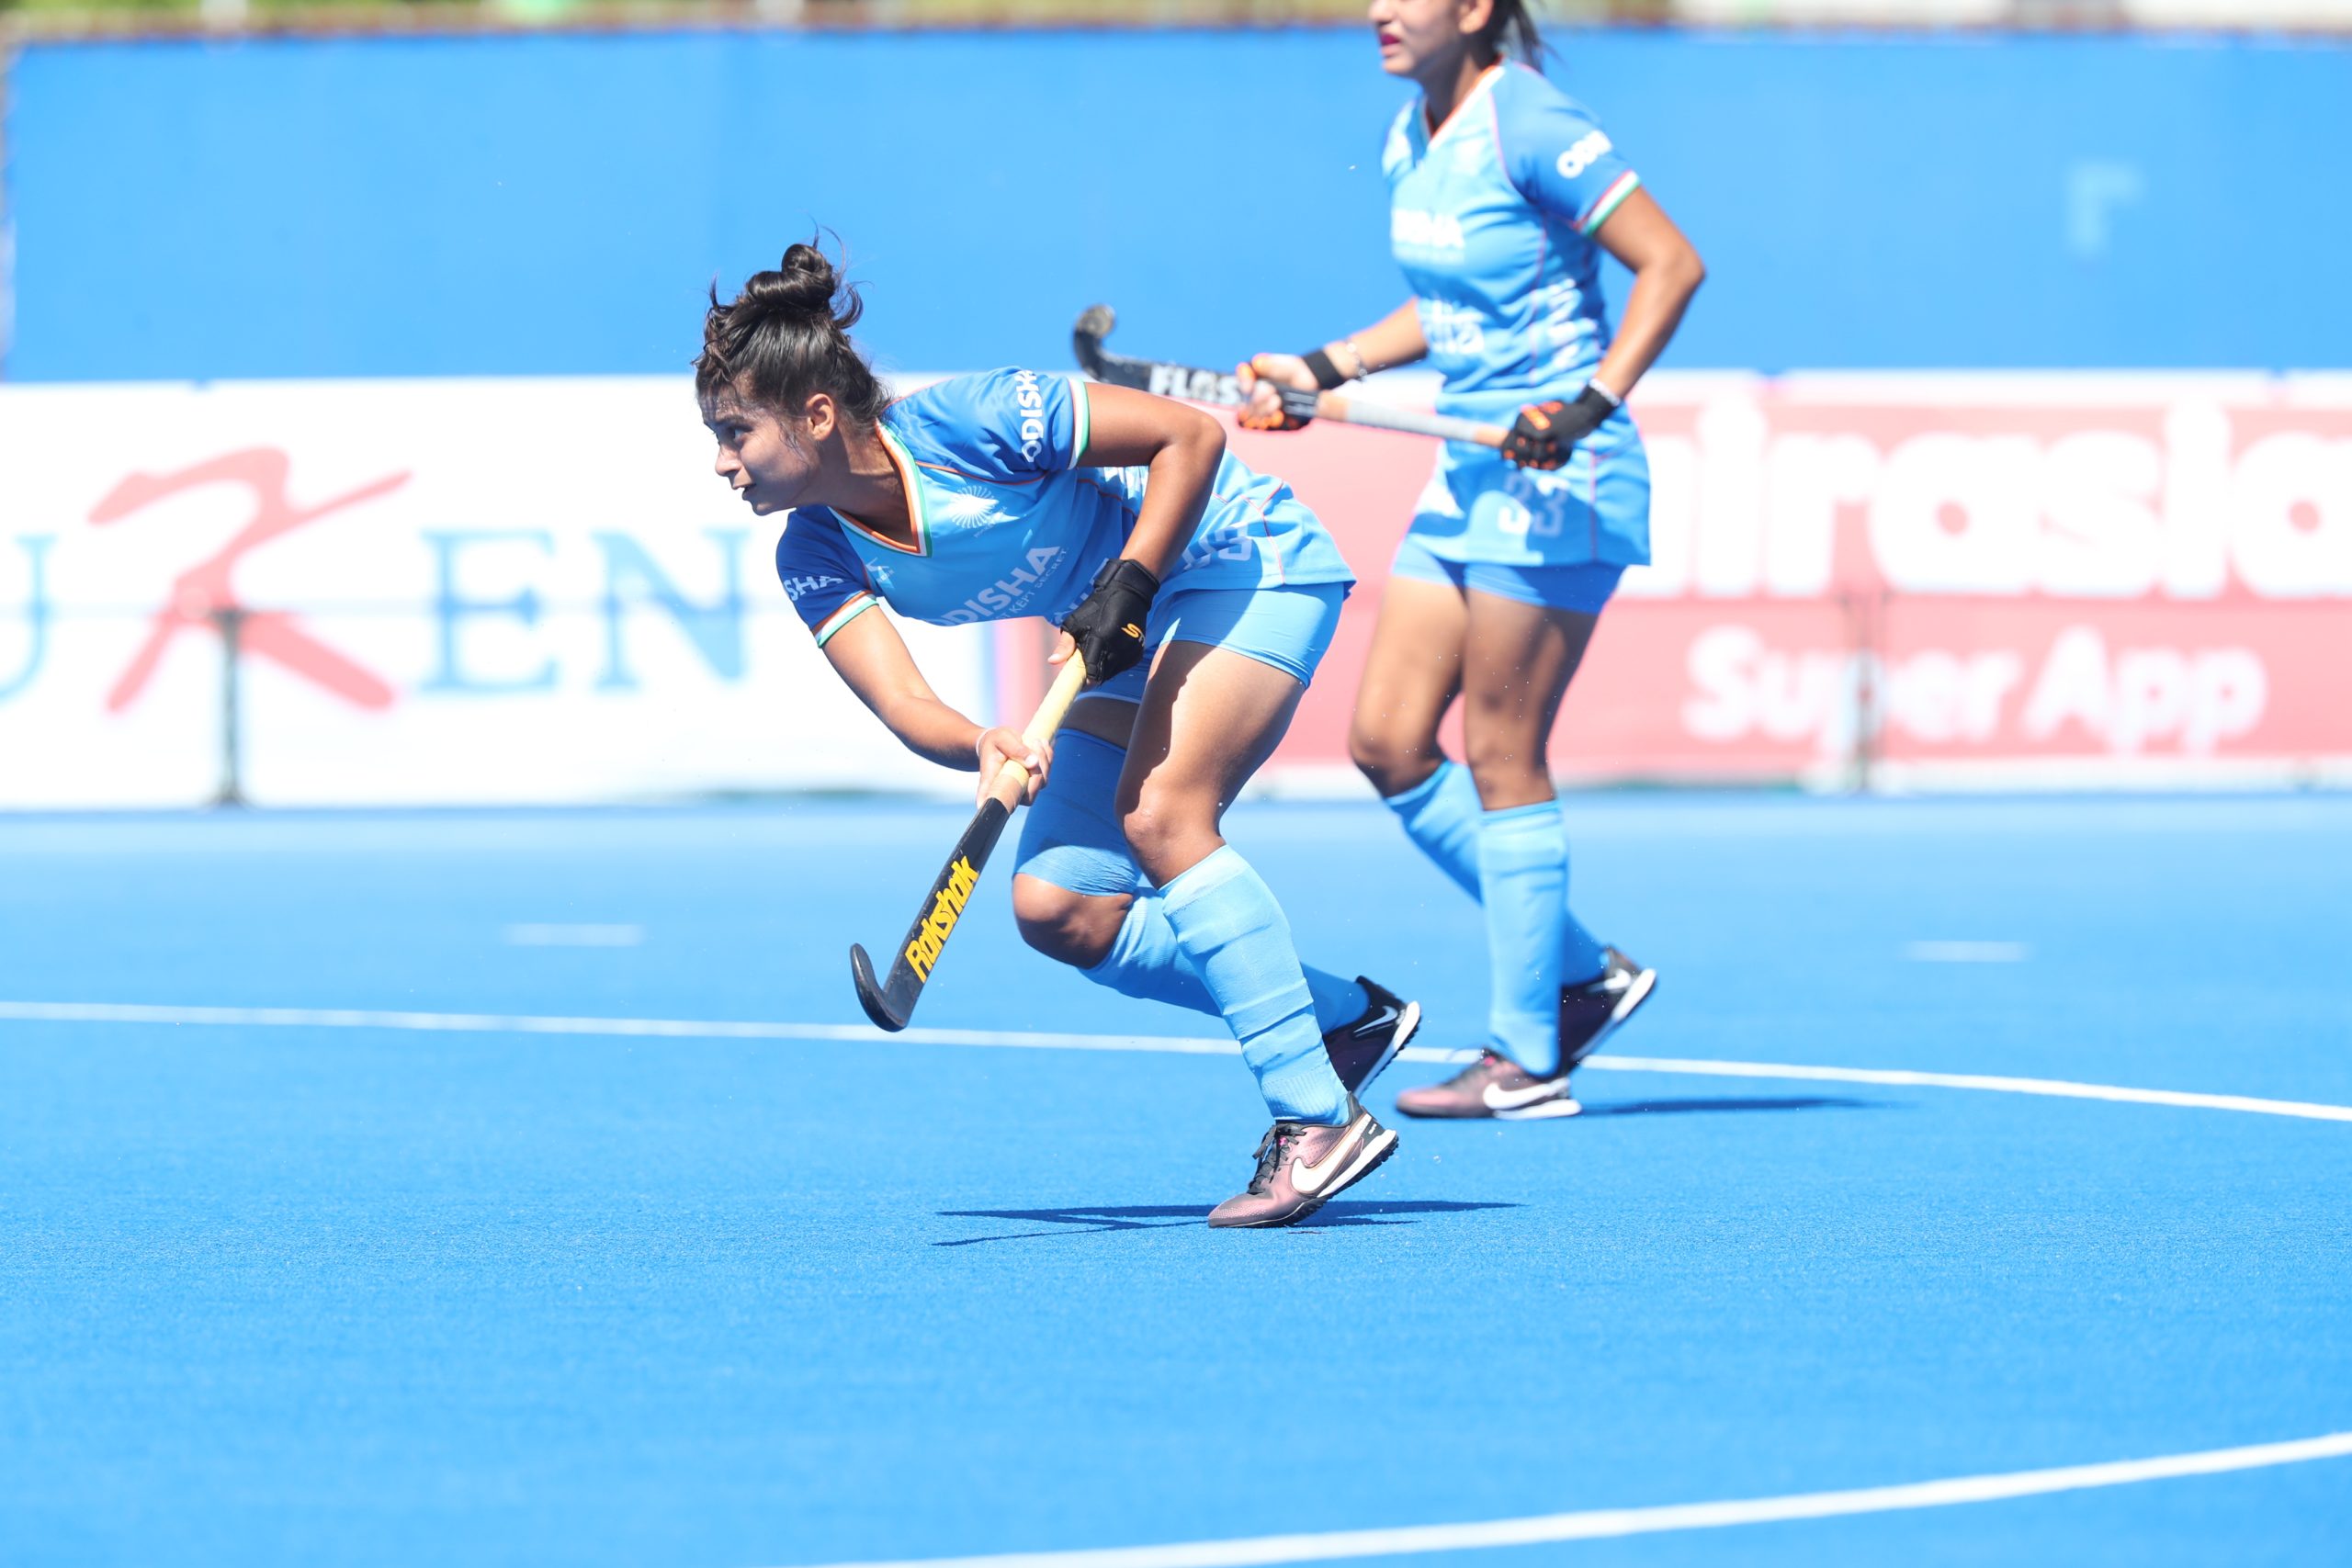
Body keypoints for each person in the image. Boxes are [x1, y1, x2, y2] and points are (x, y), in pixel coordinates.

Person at [703, 243, 1418, 1227]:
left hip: (1241, 559)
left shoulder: (974, 420)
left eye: (735, 432)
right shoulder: (815, 550)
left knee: (1164, 816)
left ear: (816, 416)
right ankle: (1346, 1018)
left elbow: (1188, 438)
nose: (722, 463)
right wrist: (981, 743)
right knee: (1061, 907)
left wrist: (1130, 583)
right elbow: (905, 704)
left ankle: (1319, 1117)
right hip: (1117, 634)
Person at [1238, 0, 1704, 1120]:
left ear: (1475, 8)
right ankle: (1583, 973)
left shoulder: (1531, 122)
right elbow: (1448, 306)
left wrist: (1588, 404)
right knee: (1388, 742)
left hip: (1558, 477)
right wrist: (1323, 369)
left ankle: (1526, 1058)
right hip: (1466, 473)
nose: (1379, 11)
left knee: (1502, 752)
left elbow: (1671, 265)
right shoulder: (1414, 130)